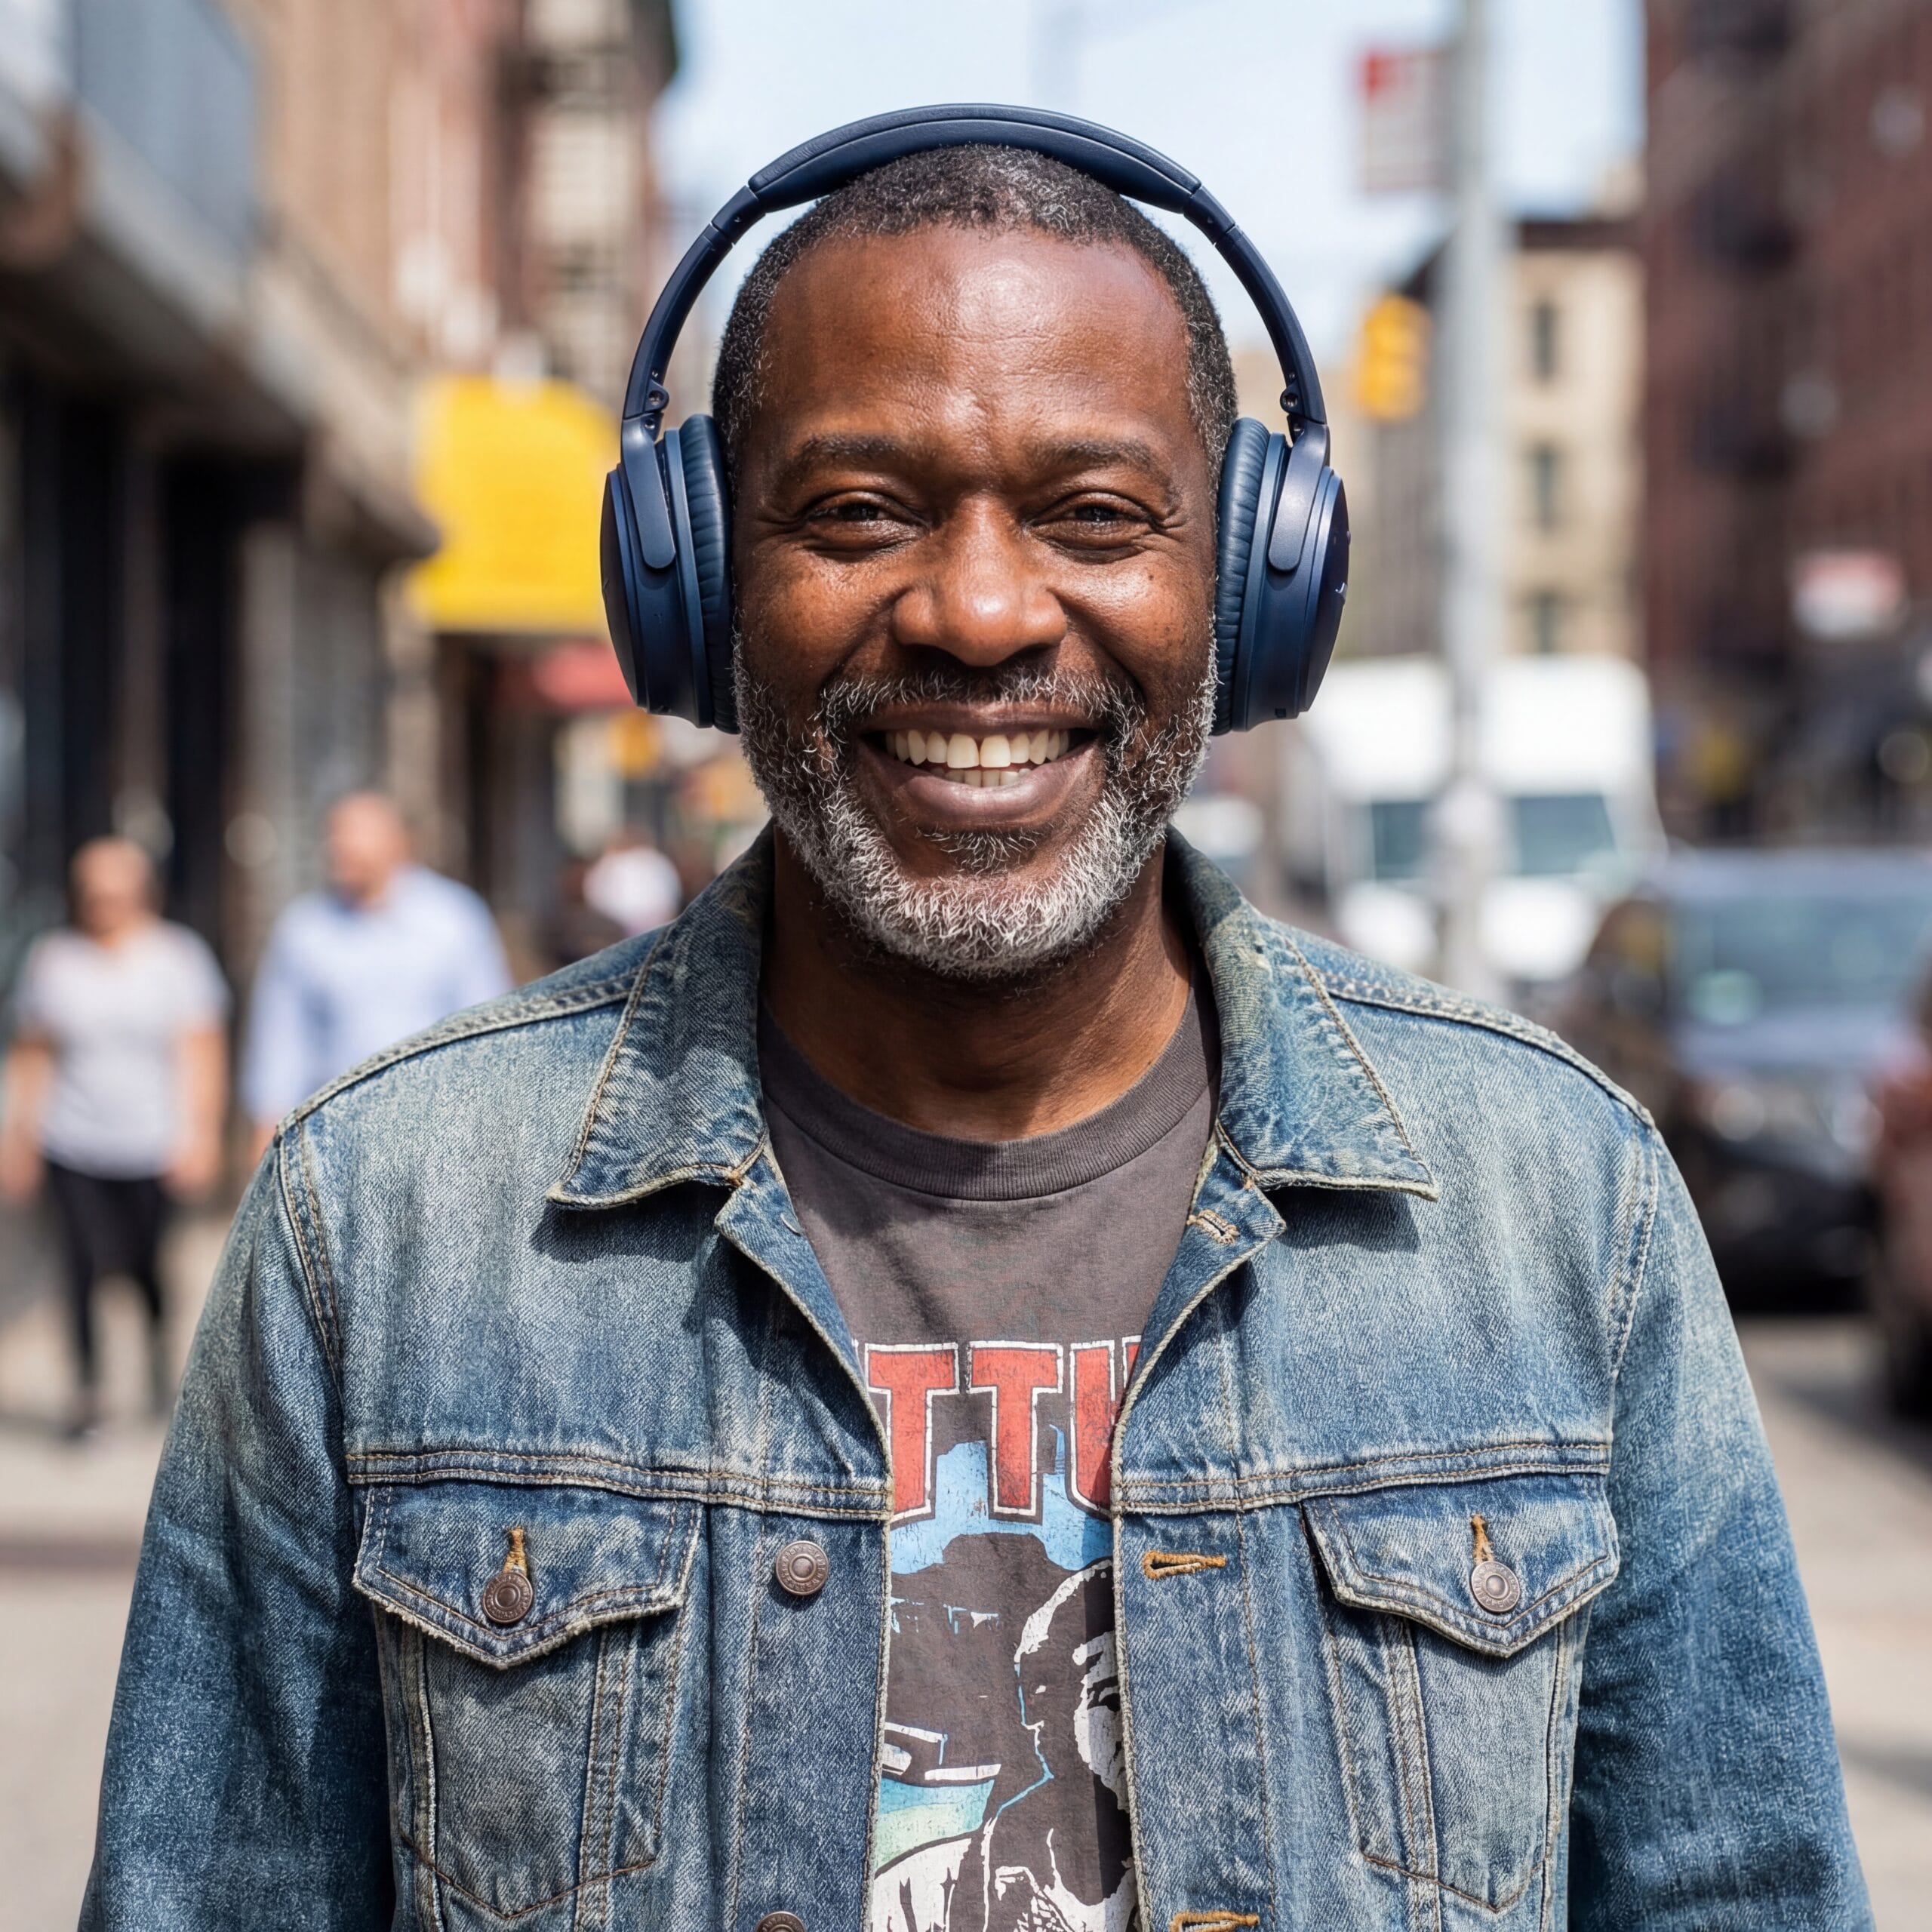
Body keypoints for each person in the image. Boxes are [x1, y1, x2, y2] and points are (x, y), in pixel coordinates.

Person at [85, 118, 1869, 1932]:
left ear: (1254, 588)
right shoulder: (382, 1223)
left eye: (1095, 516)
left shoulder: (1554, 1204)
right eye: (856, 512)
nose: (982, 610)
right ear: (691, 584)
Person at [0, 838, 226, 1435]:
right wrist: (19, 1136)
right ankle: (88, 1391)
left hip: (151, 1139)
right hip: (73, 1138)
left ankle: (157, 1362)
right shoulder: (55, 960)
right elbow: (35, 1052)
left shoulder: (177, 958)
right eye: (94, 892)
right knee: (79, 1265)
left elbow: (200, 1050)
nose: (105, 903)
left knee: (147, 1264)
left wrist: (199, 1133)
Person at [239, 792, 511, 1151]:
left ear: (399, 842)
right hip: (333, 1135)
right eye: (334, 834)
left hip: (438, 1130)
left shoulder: (454, 919)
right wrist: (266, 1125)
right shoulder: (304, 929)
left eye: (356, 834)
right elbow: (282, 1038)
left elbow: (490, 1025)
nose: (340, 846)